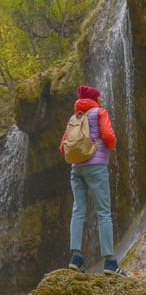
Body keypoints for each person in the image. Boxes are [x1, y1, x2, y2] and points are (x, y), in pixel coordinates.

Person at [59, 85, 127, 276]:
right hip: (96, 168)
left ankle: (76, 258)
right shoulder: (99, 112)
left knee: (78, 211)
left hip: (76, 169)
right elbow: (108, 136)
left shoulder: (74, 118)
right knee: (103, 212)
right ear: (95, 100)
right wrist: (109, 146)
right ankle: (110, 262)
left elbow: (62, 148)